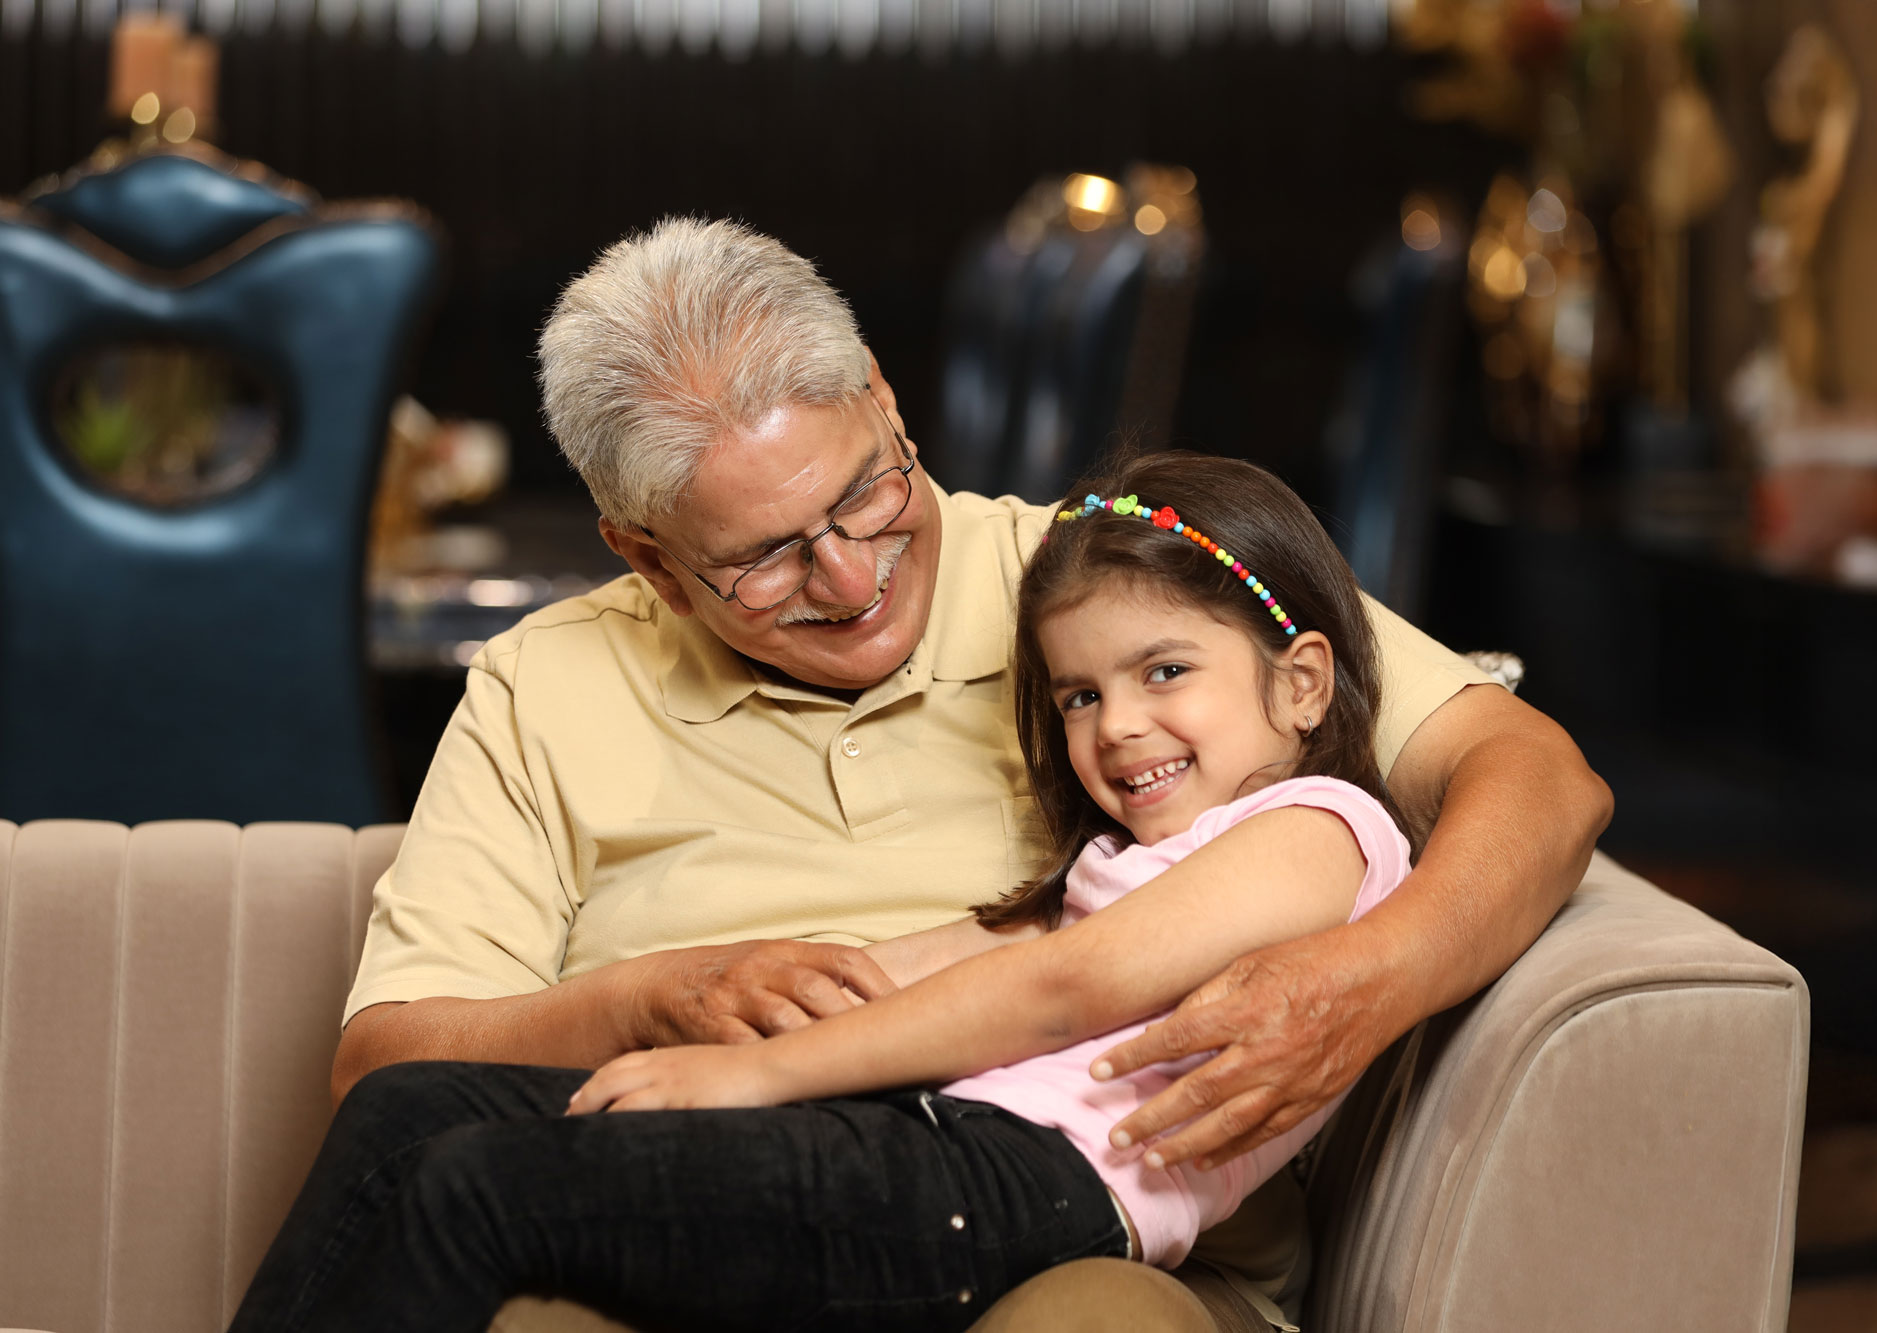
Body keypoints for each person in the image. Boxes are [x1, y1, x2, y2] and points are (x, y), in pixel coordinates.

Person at [329, 217, 1611, 1329]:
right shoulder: (541, 683)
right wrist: (658, 1002)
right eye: (763, 559)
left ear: (886, 402)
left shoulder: (1118, 589)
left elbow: (1540, 779)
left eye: (864, 496)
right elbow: (388, 1072)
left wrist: (1364, 977)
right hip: (692, 1198)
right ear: (649, 558)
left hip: (1029, 1221)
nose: (849, 579)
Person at [230, 453, 1427, 1333]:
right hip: (930, 1145)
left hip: (1016, 1190)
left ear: (1304, 682)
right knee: (408, 1118)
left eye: (1164, 673)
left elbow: (1072, 986)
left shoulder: (1321, 829)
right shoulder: (1128, 860)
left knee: (474, 1192)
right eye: (1075, 697)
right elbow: (951, 956)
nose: (1116, 727)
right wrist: (718, 999)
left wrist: (749, 1074)